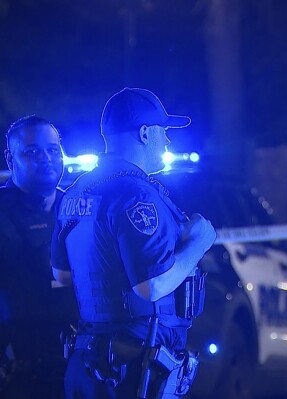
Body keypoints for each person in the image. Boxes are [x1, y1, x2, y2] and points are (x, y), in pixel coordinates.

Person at [51, 88, 216, 398]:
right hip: (131, 370)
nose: (167, 141)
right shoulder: (137, 195)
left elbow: (63, 275)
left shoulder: (75, 191)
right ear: (144, 133)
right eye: (163, 131)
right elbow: (150, 286)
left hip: (89, 361)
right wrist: (198, 242)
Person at [0, 115, 78, 398]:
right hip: (19, 374)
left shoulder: (78, 208)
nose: (45, 158)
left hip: (78, 366)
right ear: (11, 159)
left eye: (53, 149)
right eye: (32, 151)